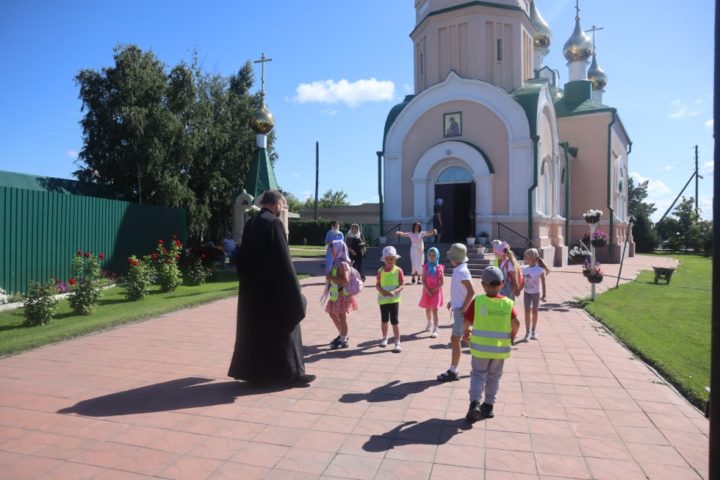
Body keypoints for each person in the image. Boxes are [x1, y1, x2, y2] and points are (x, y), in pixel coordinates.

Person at [228, 190, 313, 386]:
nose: (281, 207)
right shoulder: (273, 223)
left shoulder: (251, 223)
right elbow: (283, 260)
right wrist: (294, 291)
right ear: (276, 204)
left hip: (253, 291)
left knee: (257, 332)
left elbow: (242, 258)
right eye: (281, 204)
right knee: (286, 327)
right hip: (274, 290)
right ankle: (292, 374)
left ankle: (257, 374)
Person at [462, 266, 520, 422]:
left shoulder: (478, 301)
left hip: (480, 348)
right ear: (502, 284)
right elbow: (516, 323)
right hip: (499, 350)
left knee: (477, 375)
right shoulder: (508, 303)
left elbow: (466, 321)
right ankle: (488, 406)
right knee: (494, 377)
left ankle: (475, 403)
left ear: (483, 285)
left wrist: (466, 334)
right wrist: (512, 337)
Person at [437, 243, 475, 382]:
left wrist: (463, 308)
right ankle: (482, 361)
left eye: (451, 257)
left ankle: (453, 370)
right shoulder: (459, 269)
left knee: (455, 339)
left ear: (455, 258)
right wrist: (452, 302)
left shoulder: (462, 271)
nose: (450, 259)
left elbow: (471, 291)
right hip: (459, 308)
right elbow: (461, 290)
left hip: (462, 311)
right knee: (465, 337)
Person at [323, 240, 358, 349]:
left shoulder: (343, 264)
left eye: (332, 250)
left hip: (342, 295)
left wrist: (331, 278)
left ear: (338, 250)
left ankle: (343, 340)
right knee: (332, 314)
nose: (331, 252)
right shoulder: (337, 262)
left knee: (342, 317)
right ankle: (343, 334)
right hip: (336, 295)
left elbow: (345, 281)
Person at [376, 246, 405, 353]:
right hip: (383, 300)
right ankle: (385, 338)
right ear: (384, 259)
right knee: (384, 320)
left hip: (394, 300)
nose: (389, 261)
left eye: (391, 258)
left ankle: (397, 342)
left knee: (394, 321)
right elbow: (377, 285)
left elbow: (402, 284)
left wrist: (395, 291)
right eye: (387, 259)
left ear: (395, 259)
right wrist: (382, 291)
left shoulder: (398, 270)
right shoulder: (380, 271)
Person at [519, 248, 550, 341]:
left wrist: (544, 295)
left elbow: (543, 283)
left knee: (535, 312)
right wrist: (518, 290)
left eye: (525, 256)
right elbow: (523, 283)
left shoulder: (539, 270)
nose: (524, 258)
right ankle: (527, 332)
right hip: (527, 293)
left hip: (536, 294)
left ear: (531, 258)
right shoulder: (524, 269)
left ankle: (533, 331)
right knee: (527, 311)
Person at [419, 247, 444, 338]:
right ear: (427, 256)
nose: (432, 257)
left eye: (434, 255)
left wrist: (433, 290)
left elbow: (442, 282)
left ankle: (435, 329)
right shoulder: (425, 267)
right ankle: (429, 322)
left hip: (436, 291)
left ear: (437, 256)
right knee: (428, 309)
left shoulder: (439, 267)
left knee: (435, 310)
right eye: (430, 255)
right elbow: (423, 280)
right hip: (427, 291)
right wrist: (428, 290)